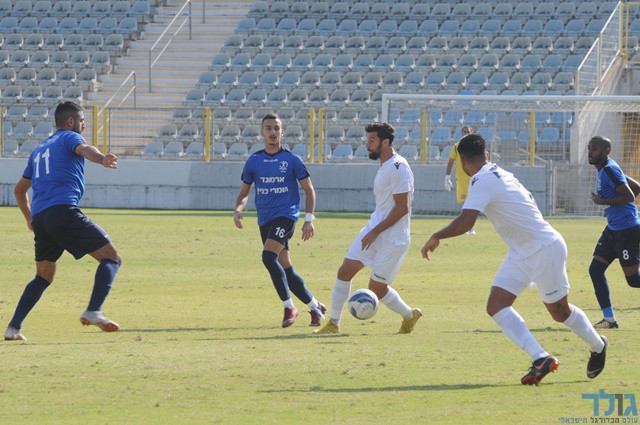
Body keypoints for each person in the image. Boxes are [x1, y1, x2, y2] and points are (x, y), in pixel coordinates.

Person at [421, 133, 607, 385]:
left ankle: (598, 345)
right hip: (520, 252)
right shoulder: (501, 172)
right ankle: (541, 358)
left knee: (560, 312)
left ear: (462, 162)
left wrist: (436, 236)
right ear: (486, 154)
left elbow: (466, 222)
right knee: (496, 305)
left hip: (543, 248)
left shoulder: (481, 180)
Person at [5, 101, 122, 341]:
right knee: (111, 258)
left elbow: (19, 190)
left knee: (43, 276)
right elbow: (86, 149)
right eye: (82, 121)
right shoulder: (69, 137)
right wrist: (102, 159)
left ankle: (13, 328)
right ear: (70, 122)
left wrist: (29, 219)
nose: (84, 125)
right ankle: (94, 310)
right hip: (63, 211)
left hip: (41, 218)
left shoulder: (39, 150)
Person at [315, 122, 422, 335]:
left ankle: (409, 315)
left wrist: (375, 232)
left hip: (393, 238)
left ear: (386, 142)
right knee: (344, 271)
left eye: (372, 140)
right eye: (368, 140)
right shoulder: (385, 166)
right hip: (374, 230)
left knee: (377, 289)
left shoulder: (399, 167)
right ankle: (333, 324)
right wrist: (373, 230)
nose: (367, 145)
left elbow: (402, 208)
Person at [234, 113, 326, 328]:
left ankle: (289, 307)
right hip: (264, 219)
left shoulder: (292, 160)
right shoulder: (254, 161)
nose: (272, 132)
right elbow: (244, 193)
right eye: (268, 128)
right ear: (262, 132)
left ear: (282, 132)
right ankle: (316, 307)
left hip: (286, 216)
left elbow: (309, 190)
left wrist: (309, 219)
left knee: (268, 257)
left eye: (276, 128)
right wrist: (238, 209)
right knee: (286, 270)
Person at [587, 135, 640, 329]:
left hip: (627, 230)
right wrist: (612, 208)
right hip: (613, 229)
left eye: (594, 149)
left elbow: (629, 195)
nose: (590, 152)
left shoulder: (609, 169)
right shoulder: (606, 169)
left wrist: (603, 202)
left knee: (633, 280)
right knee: (595, 270)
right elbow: (637, 187)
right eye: (589, 148)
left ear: (606, 150)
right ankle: (609, 320)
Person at [445, 125, 476, 234]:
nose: (466, 133)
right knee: (465, 204)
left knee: (472, 203)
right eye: (464, 131)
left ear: (472, 133)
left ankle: (470, 227)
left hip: (473, 179)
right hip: (462, 179)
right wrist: (447, 177)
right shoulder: (456, 146)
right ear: (462, 133)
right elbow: (451, 161)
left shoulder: (475, 147)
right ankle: (467, 227)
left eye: (468, 132)